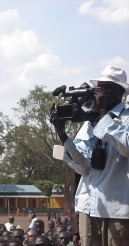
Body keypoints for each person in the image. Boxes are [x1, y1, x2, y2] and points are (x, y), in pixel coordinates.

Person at [51, 65, 129, 245]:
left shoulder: (126, 118)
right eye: (98, 88)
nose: (100, 93)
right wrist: (62, 134)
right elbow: (83, 167)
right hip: (89, 207)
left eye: (106, 88)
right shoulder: (89, 123)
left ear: (120, 92)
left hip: (118, 210)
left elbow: (126, 147)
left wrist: (102, 115)